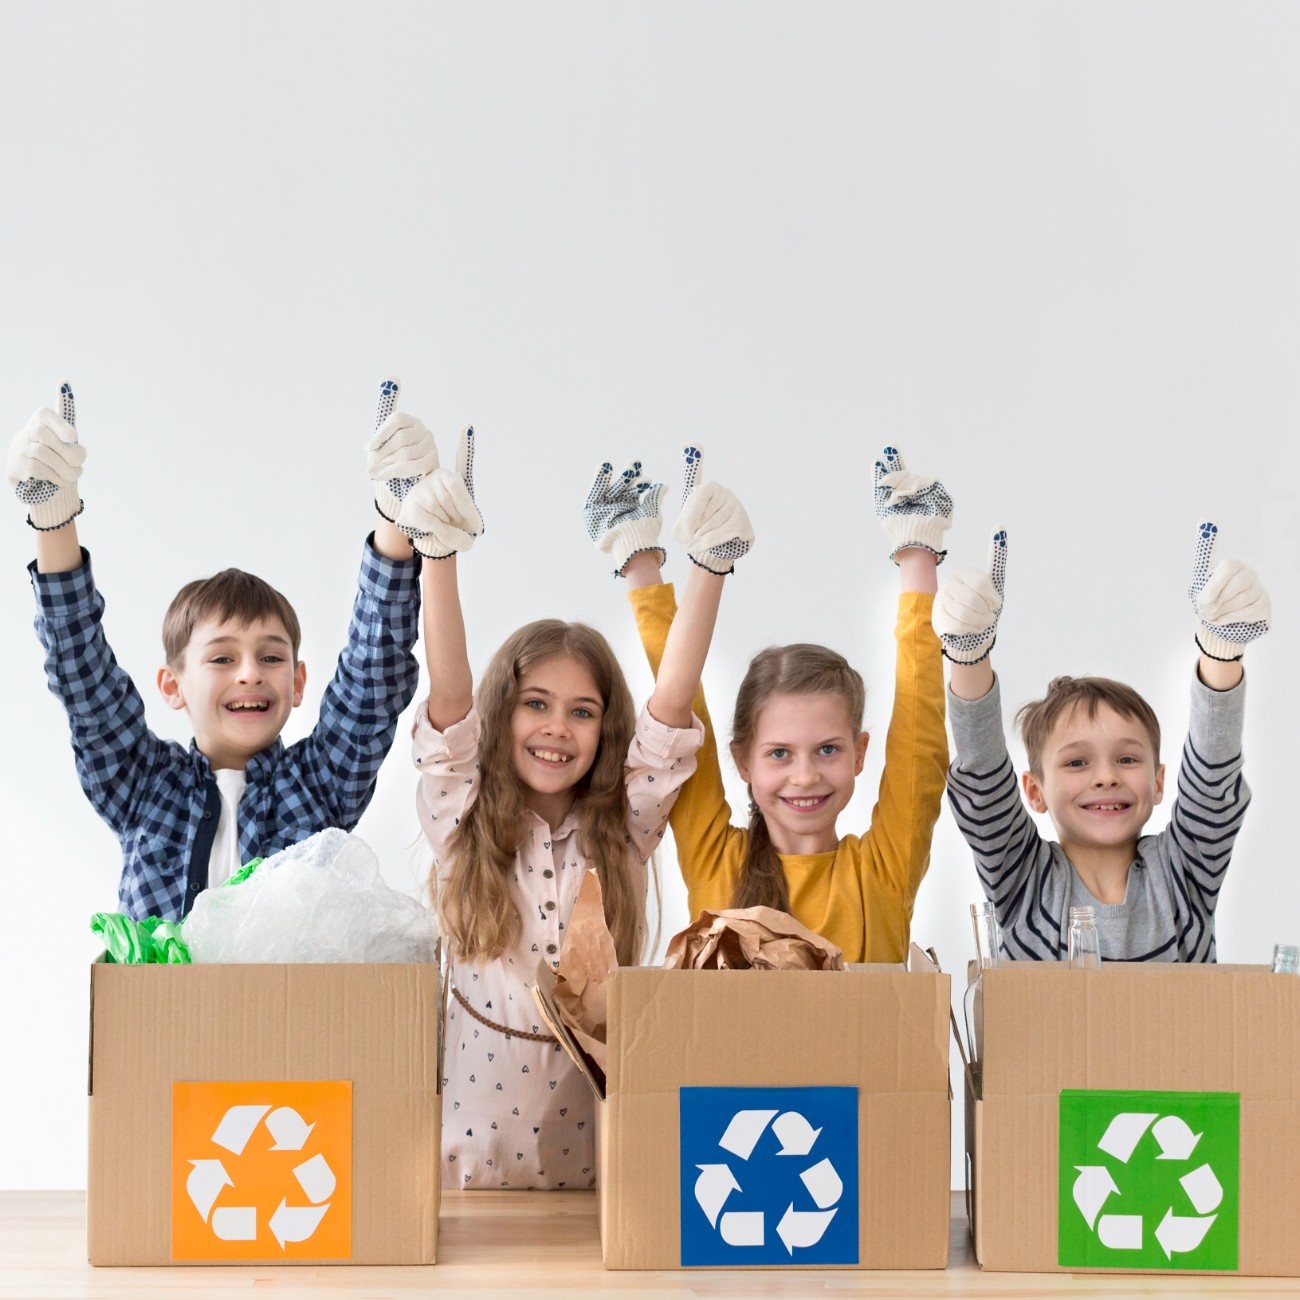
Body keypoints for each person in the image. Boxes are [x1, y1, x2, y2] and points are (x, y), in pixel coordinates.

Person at [390, 431, 747, 1190]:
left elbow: (670, 709)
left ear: (605, 732)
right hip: (466, 1169)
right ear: (502, 715)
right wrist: (439, 559)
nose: (557, 727)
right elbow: (449, 703)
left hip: (591, 1167)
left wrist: (710, 570)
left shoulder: (620, 830)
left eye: (583, 712)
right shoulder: (466, 822)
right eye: (537, 705)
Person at [9, 378, 425, 920]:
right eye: (222, 658)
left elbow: (373, 679)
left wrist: (394, 517)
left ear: (298, 683)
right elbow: (84, 679)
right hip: (162, 1010)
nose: (250, 673)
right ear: (173, 685)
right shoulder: (141, 786)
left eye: (271, 657)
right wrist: (54, 522)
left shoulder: (320, 784)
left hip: (290, 1008)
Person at [595, 445, 950, 963]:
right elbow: (676, 705)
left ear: (859, 753)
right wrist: (640, 564)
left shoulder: (882, 870)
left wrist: (919, 556)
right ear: (741, 760)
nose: (804, 776)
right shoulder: (719, 862)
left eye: (827, 750)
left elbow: (920, 744)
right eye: (779, 753)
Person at [935, 522, 1270, 961]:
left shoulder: (1183, 873)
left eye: (1128, 758)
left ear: (1158, 782)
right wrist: (969, 656)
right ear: (1035, 791)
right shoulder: (1023, 880)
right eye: (1076, 763)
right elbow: (984, 781)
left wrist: (1221, 652)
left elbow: (1212, 779)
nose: (1106, 777)